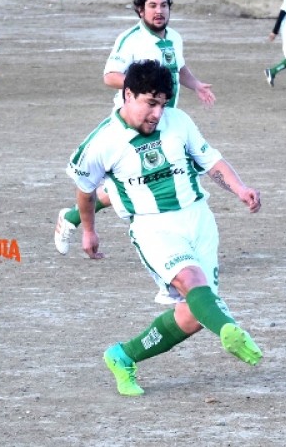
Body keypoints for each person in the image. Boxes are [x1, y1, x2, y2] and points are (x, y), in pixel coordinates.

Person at [65, 60, 264, 396]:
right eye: (150, 103)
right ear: (127, 94)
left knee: (193, 316)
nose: (157, 113)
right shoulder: (100, 144)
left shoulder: (179, 121)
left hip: (199, 220)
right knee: (192, 282)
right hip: (152, 227)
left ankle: (123, 355)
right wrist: (88, 230)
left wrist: (240, 188)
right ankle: (230, 330)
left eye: (162, 104)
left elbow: (211, 161)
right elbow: (85, 194)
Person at [54, 0, 216, 260]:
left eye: (164, 5)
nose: (159, 11)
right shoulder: (131, 40)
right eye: (152, 5)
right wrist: (143, 86)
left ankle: (72, 217)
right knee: (144, 181)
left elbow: (180, 67)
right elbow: (110, 75)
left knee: (153, 180)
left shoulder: (175, 38)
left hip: (165, 122)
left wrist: (196, 85)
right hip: (133, 125)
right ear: (141, 10)